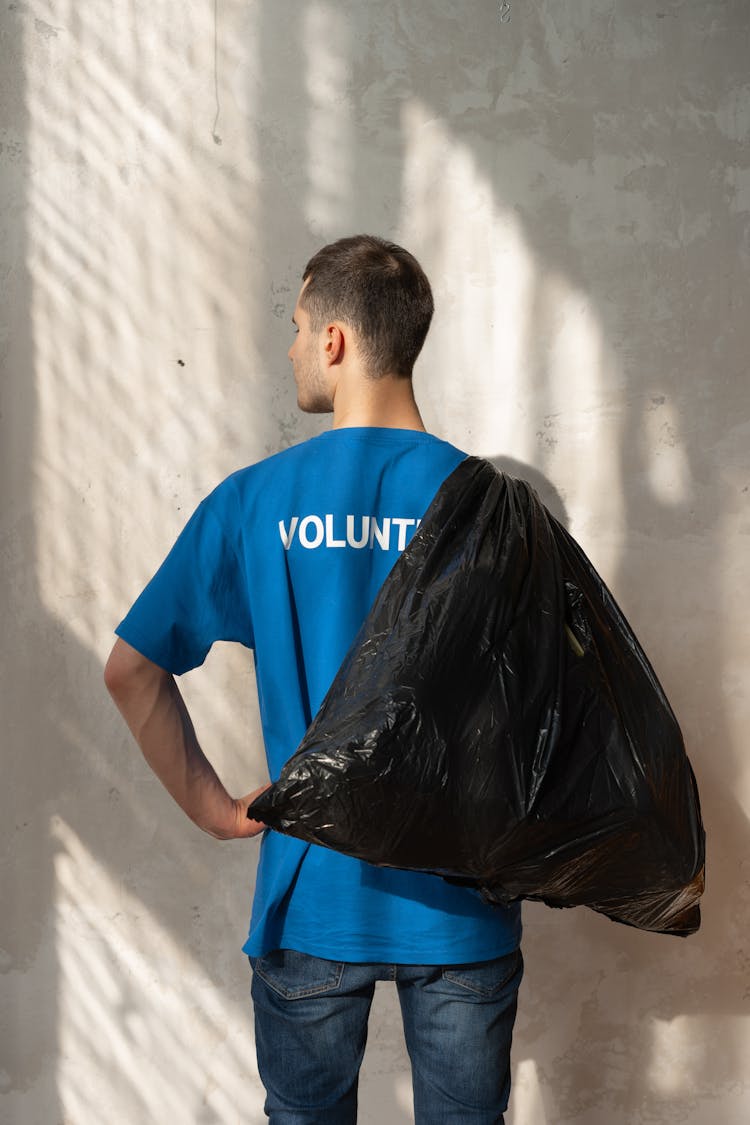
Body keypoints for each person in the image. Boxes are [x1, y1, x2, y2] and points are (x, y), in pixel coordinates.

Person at [105, 235, 523, 1124]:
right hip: (461, 902)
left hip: (310, 895)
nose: (291, 348)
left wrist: (218, 810)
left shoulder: (256, 501)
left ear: (335, 340)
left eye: (296, 328)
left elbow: (132, 668)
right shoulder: (491, 506)